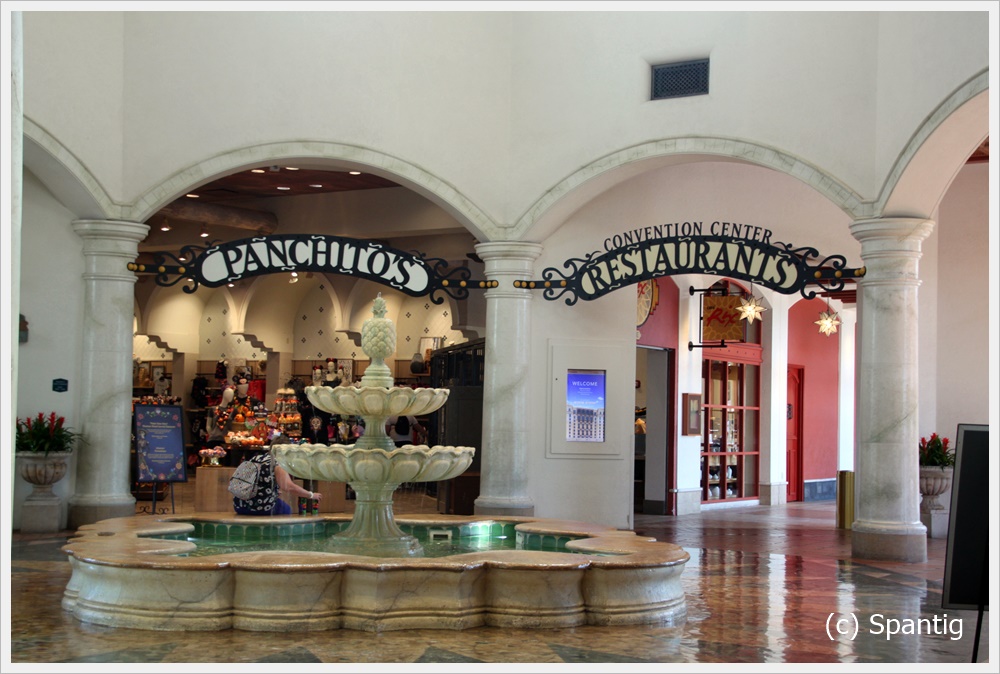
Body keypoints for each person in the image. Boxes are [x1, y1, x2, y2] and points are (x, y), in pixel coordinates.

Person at [232, 452, 322, 515]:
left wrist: (273, 490)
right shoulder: (278, 464)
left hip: (239, 506)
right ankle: (277, 535)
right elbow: (289, 487)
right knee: (286, 509)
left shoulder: (255, 458)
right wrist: (311, 495)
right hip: (260, 508)